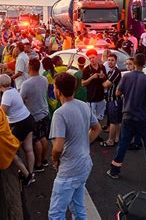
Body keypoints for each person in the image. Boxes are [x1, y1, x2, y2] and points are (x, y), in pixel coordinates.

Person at [48, 72, 102, 219]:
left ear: (57, 90)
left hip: (69, 168)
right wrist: (84, 143)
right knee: (77, 207)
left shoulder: (60, 113)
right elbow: (97, 128)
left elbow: (58, 147)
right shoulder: (83, 105)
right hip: (84, 164)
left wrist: (54, 159)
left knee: (56, 213)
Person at [107, 54, 146, 179]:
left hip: (127, 115)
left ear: (134, 63)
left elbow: (117, 92)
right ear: (144, 63)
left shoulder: (126, 76)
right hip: (142, 116)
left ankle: (114, 170)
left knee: (123, 144)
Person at [0, 74, 36, 183]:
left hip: (20, 124)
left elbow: (1, 113)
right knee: (28, 149)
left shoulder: (6, 95)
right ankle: (31, 172)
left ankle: (26, 175)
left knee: (10, 150)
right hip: (28, 119)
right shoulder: (14, 90)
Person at [20, 59, 50, 173]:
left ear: (30, 68)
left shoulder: (26, 84)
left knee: (36, 140)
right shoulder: (44, 79)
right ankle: (44, 159)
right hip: (45, 112)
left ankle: (38, 164)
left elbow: (21, 99)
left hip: (34, 115)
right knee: (43, 138)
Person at [100, 53, 122, 147]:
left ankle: (110, 140)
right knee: (116, 121)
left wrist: (99, 80)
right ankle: (117, 138)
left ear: (116, 61)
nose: (110, 62)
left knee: (113, 122)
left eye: (112, 60)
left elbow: (106, 85)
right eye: (108, 60)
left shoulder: (115, 72)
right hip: (111, 100)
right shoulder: (110, 72)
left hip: (114, 100)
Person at [82, 48, 107, 122]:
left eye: (93, 57)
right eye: (90, 58)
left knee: (99, 119)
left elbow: (105, 80)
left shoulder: (102, 67)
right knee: (92, 121)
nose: (92, 60)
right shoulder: (86, 69)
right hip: (91, 99)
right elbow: (83, 83)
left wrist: (103, 76)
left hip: (101, 98)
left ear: (97, 56)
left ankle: (97, 133)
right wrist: (92, 77)